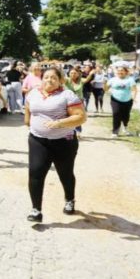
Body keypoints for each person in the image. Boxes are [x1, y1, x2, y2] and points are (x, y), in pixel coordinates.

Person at [24, 68, 86, 222]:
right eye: (46, 77)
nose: (49, 80)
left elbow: (81, 117)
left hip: (64, 142)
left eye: (53, 78)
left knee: (65, 174)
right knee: (35, 173)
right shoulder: (33, 93)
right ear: (41, 79)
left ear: (60, 80)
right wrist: (32, 125)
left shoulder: (67, 95)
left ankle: (69, 200)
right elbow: (28, 113)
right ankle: (36, 210)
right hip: (38, 140)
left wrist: (59, 123)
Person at [104, 63, 137, 137]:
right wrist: (105, 86)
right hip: (115, 100)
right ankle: (115, 131)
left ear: (126, 72)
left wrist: (134, 97)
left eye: (122, 70)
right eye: (118, 71)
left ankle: (125, 128)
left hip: (127, 100)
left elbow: (134, 90)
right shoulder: (112, 80)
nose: (120, 72)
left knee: (126, 116)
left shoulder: (130, 80)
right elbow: (106, 88)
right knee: (116, 114)